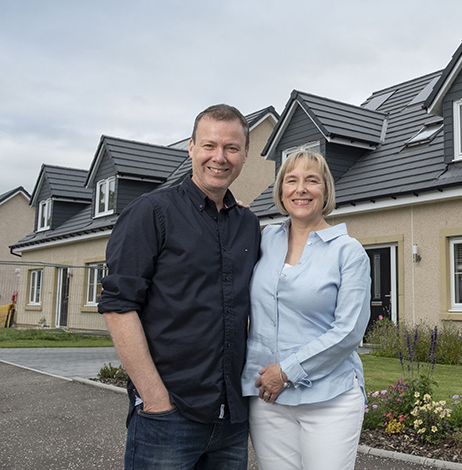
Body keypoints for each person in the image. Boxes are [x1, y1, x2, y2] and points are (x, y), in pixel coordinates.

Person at [99, 104, 261, 469]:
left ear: (245, 154)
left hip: (232, 421)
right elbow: (118, 306)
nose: (219, 157)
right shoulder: (150, 212)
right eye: (209, 145)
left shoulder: (248, 224)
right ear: (191, 147)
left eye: (231, 148)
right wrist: (154, 398)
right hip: (169, 416)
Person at [241, 151, 371, 470]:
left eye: (311, 180)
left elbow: (349, 332)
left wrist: (286, 371)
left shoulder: (348, 252)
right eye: (292, 180)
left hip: (330, 397)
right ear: (281, 190)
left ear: (325, 190)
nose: (301, 189)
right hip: (267, 397)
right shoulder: (264, 238)